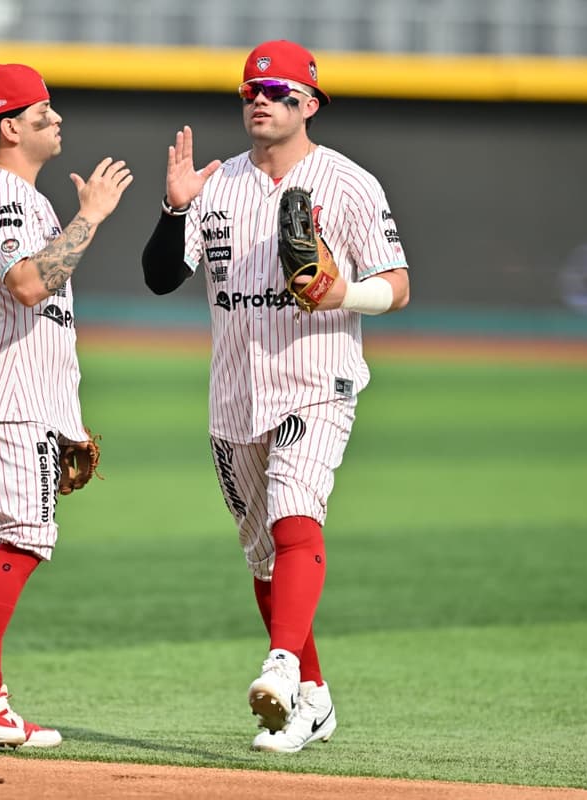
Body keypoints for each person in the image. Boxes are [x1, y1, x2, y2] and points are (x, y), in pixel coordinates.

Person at [141, 39, 411, 753]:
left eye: (279, 92)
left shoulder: (348, 183)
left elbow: (397, 285)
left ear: (310, 104)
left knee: (297, 514)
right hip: (235, 393)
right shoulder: (217, 184)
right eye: (251, 91)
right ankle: (314, 699)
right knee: (264, 557)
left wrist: (341, 293)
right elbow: (161, 277)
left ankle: (282, 667)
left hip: (318, 381)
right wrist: (174, 211)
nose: (260, 101)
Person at [0, 63, 131, 749]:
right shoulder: (5, 196)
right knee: (25, 539)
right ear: (10, 126)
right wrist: (92, 217)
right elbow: (25, 283)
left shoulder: (16, 196)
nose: (58, 119)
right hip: (10, 396)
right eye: (43, 111)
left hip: (13, 393)